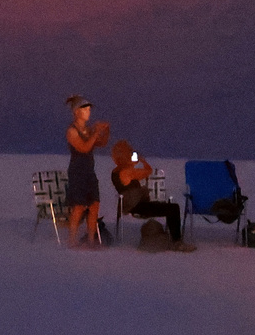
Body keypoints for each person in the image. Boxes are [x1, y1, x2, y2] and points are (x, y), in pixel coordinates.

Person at [110, 140, 194, 251]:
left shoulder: (115, 172)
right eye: (129, 152)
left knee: (169, 207)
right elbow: (148, 171)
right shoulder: (126, 172)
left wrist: (132, 164)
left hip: (131, 204)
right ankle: (176, 242)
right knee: (173, 208)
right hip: (137, 206)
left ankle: (174, 239)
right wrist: (143, 161)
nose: (130, 154)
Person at [63, 94, 111, 247]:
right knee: (78, 206)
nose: (88, 112)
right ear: (77, 112)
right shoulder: (72, 131)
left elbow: (101, 143)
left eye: (89, 109)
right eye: (85, 109)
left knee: (94, 204)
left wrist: (105, 131)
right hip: (77, 172)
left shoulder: (88, 130)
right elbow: (84, 148)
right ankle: (72, 240)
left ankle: (91, 239)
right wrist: (95, 133)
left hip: (89, 172)